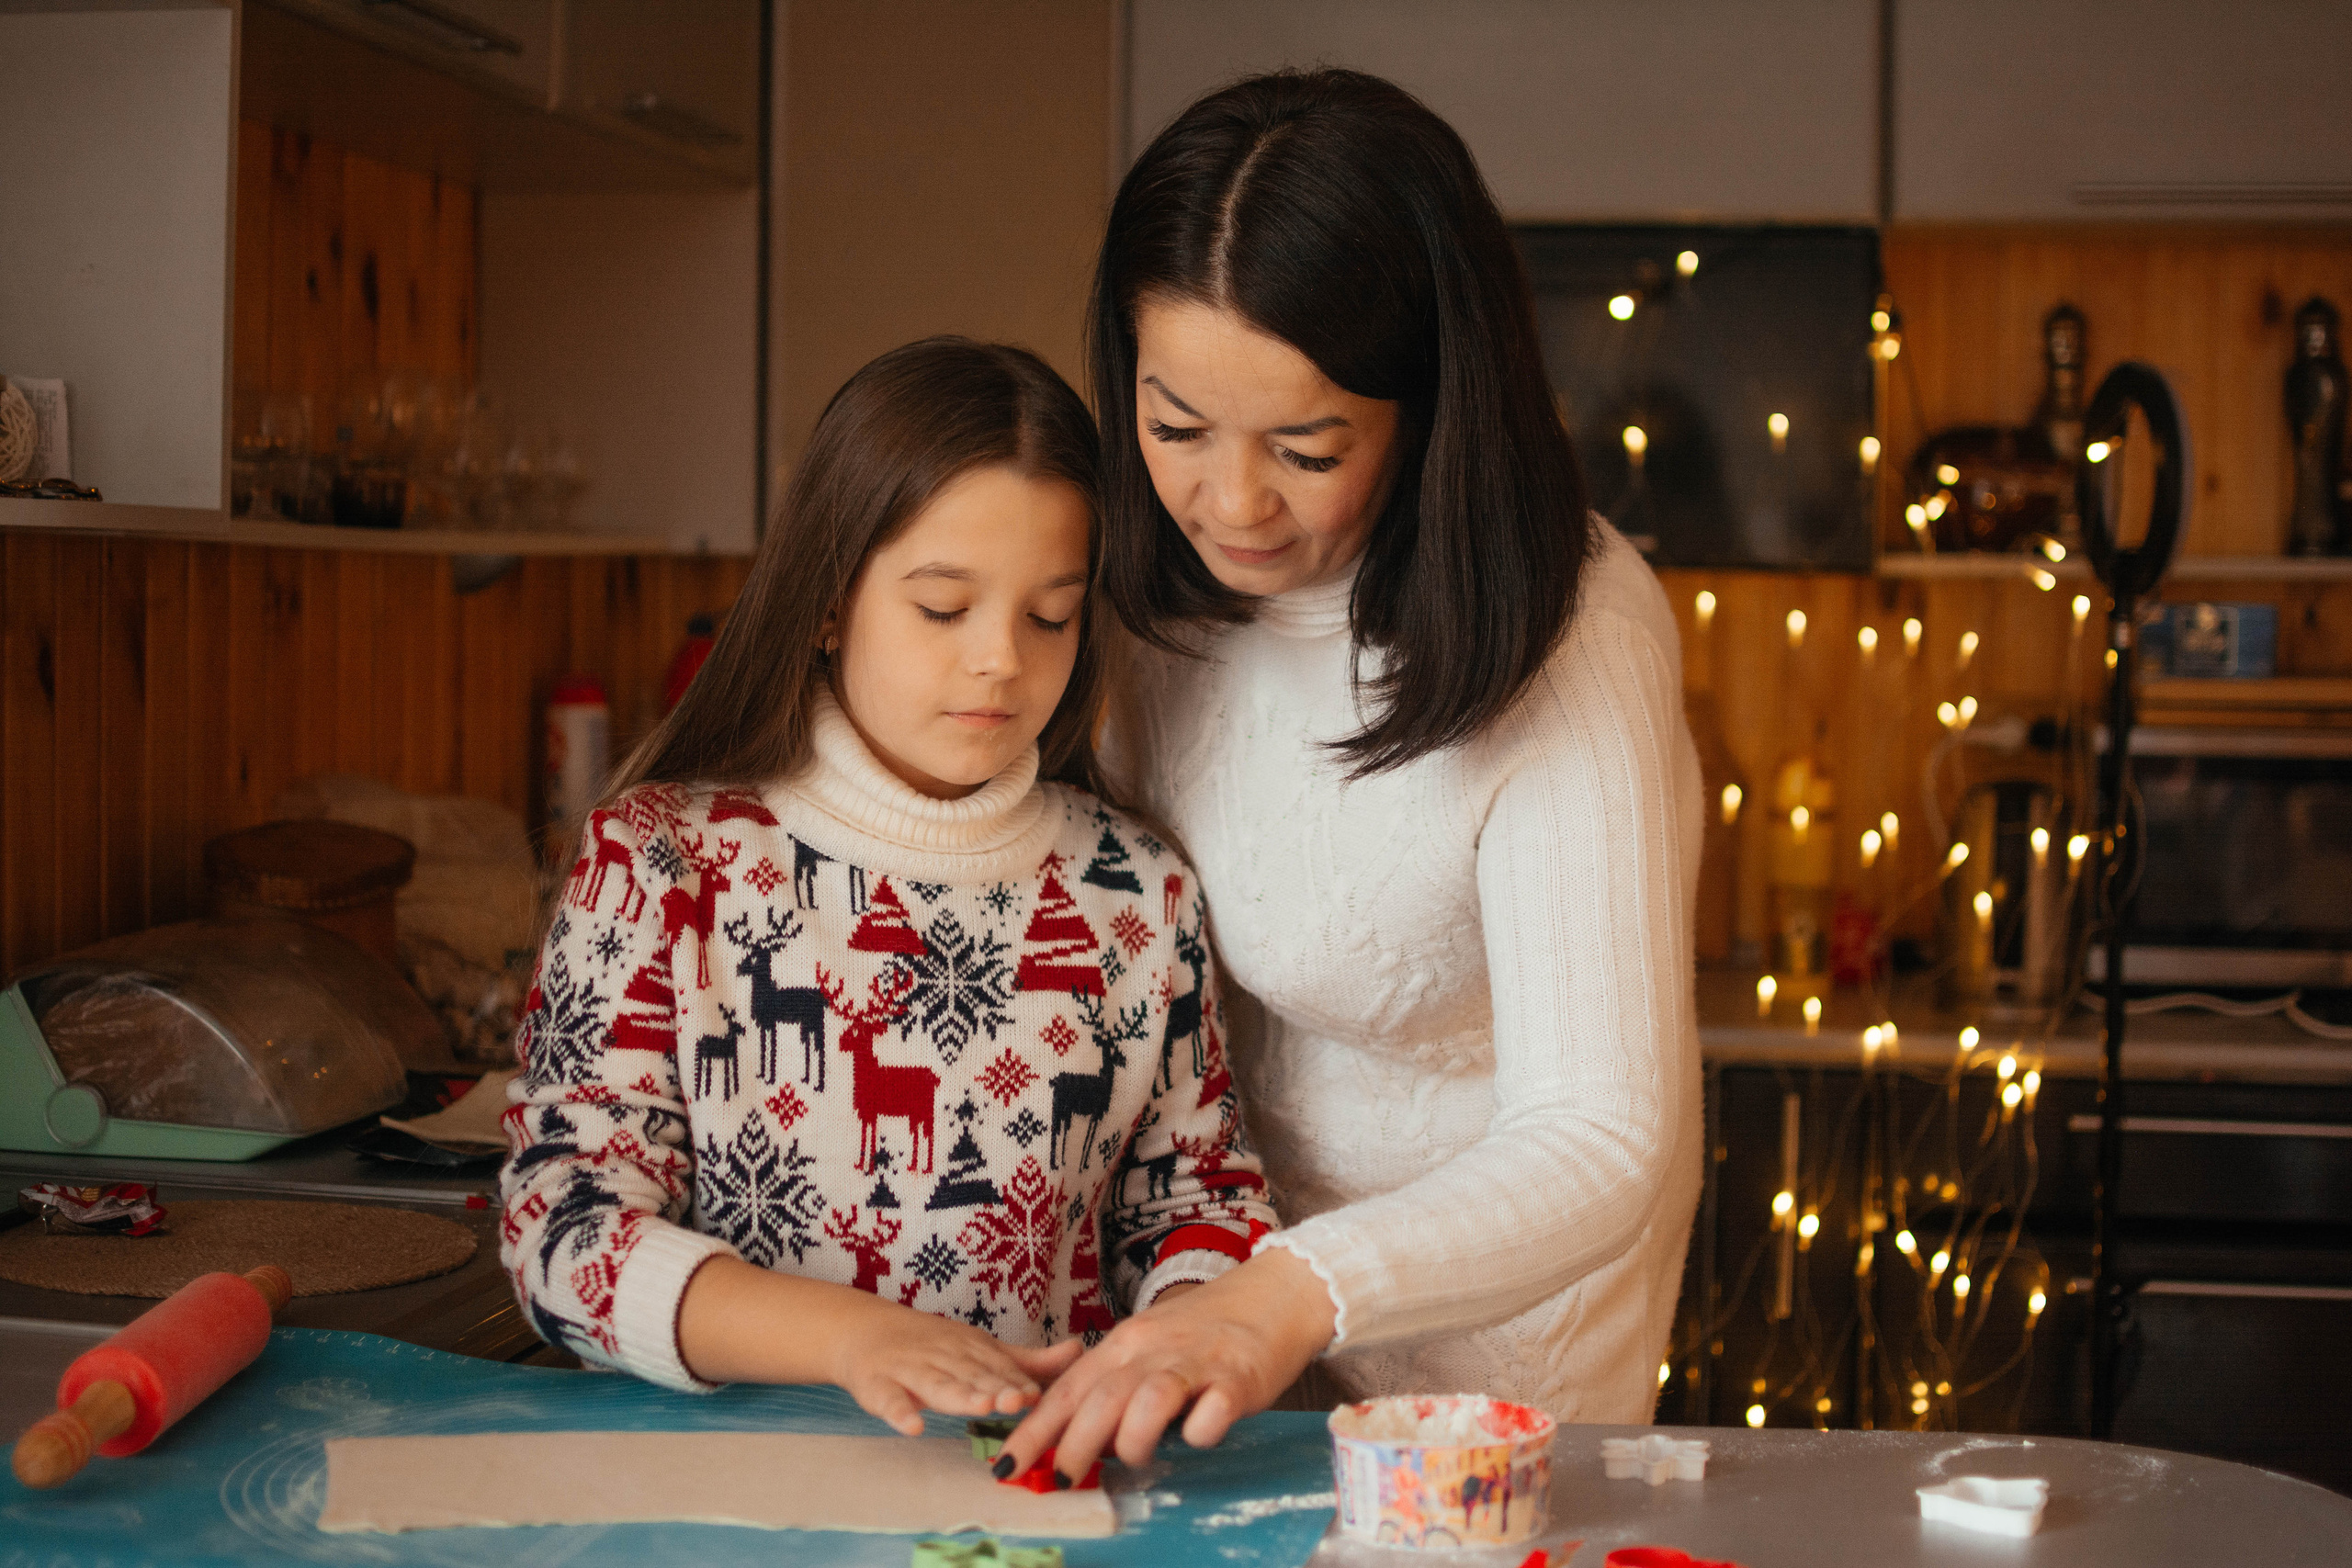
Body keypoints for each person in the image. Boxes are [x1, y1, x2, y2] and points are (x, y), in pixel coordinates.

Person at [997, 69, 1703, 1483]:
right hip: (1207, 1292)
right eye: (1176, 427)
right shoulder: (1142, 588)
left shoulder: (1573, 636)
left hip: (1494, 1335)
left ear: (1433, 407)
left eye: (1305, 448)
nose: (1229, 503)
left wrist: (1283, 1295)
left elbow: (1600, 1129)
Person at [501, 337, 1274, 1444]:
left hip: (1031, 1480)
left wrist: (1192, 1329)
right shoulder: (661, 863)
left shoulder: (1134, 894)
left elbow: (1197, 1204)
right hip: (729, 1487)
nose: (1001, 659)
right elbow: (564, 1231)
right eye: (943, 607)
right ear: (827, 602)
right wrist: (851, 1339)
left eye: (1049, 615)